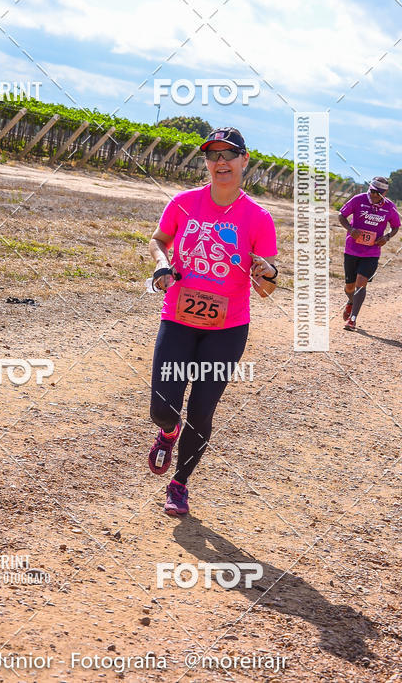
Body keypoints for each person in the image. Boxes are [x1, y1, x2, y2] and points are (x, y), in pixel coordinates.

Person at [147, 127, 278, 516]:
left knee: (202, 410)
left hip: (227, 330)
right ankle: (168, 431)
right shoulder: (184, 202)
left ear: (244, 160)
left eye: (229, 154)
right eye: (212, 155)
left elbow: (266, 289)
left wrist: (267, 274)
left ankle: (179, 485)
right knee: (162, 408)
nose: (220, 162)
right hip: (178, 318)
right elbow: (158, 239)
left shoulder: (259, 218)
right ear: (206, 162)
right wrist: (162, 263)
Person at [338, 176, 400, 332]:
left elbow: (395, 226)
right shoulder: (358, 200)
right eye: (372, 191)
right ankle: (351, 301)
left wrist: (387, 237)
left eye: (377, 193)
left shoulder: (390, 207)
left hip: (372, 253)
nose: (373, 195)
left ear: (384, 193)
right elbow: (341, 215)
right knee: (349, 287)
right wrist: (350, 229)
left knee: (361, 282)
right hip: (352, 249)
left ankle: (353, 319)